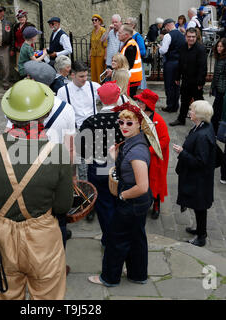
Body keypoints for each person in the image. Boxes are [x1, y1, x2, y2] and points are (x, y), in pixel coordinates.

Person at [0, 79, 73, 300]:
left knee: (6, 293)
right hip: (42, 237)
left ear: (10, 114)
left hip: (2, 236)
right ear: (44, 115)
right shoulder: (57, 153)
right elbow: (63, 205)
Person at [88, 102, 152, 287]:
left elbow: (142, 186)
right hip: (138, 203)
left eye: (129, 123)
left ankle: (108, 278)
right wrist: (116, 158)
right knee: (136, 237)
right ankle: (137, 274)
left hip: (132, 201)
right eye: (121, 122)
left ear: (139, 124)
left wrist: (123, 196)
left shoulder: (137, 151)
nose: (124, 126)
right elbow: (128, 171)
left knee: (116, 239)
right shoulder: (132, 142)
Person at [79, 81, 128, 248]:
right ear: (117, 98)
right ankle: (121, 235)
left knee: (104, 204)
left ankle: (109, 238)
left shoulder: (92, 121)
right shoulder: (126, 120)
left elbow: (82, 150)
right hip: (123, 168)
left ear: (100, 99)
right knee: (121, 202)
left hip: (100, 168)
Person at [173, 100, 216, 247]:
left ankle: (201, 236)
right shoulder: (202, 127)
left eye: (191, 110)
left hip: (199, 178)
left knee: (199, 206)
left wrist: (182, 152)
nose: (189, 112)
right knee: (198, 206)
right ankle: (199, 229)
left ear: (198, 115)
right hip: (198, 177)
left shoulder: (202, 135)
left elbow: (200, 161)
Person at [57, 61, 101, 189]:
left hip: (94, 129)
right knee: (81, 167)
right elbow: (60, 114)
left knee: (97, 166)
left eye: (86, 75)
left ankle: (96, 192)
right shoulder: (63, 91)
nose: (85, 79)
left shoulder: (94, 86)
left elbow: (109, 98)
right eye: (81, 76)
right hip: (76, 131)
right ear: (72, 75)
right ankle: (85, 194)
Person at [134, 89, 170, 220]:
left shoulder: (158, 120)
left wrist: (148, 151)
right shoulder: (138, 116)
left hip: (154, 158)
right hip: (141, 155)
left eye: (140, 101)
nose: (137, 103)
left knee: (155, 180)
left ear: (146, 104)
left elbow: (165, 140)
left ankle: (156, 204)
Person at [170, 28, 207, 127]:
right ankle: (181, 119)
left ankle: (204, 121)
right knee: (184, 101)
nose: (191, 39)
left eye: (193, 37)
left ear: (196, 37)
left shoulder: (200, 49)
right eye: (189, 36)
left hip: (196, 81)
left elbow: (203, 67)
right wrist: (177, 77)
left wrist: (200, 83)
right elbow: (180, 64)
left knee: (199, 102)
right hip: (185, 80)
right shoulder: (183, 47)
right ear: (185, 37)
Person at [159, 18, 186, 114]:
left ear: (167, 25)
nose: (165, 28)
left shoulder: (168, 36)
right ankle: (176, 105)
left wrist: (160, 48)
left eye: (165, 26)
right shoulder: (182, 35)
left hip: (170, 62)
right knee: (176, 84)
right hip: (179, 63)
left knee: (169, 85)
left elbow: (163, 50)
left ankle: (170, 106)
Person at [211, 38, 226, 133]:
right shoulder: (219, 58)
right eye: (218, 46)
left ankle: (214, 129)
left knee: (217, 111)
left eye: (221, 46)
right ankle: (214, 128)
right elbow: (216, 74)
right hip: (218, 88)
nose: (219, 48)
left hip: (223, 90)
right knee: (217, 110)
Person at [118, 24, 143, 98]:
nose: (118, 34)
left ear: (126, 35)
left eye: (120, 33)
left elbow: (128, 65)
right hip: (130, 78)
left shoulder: (130, 46)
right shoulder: (129, 44)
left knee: (128, 100)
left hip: (131, 79)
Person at [125, 17, 147, 90]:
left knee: (138, 86)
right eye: (125, 23)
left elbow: (143, 52)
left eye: (127, 23)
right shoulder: (127, 36)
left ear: (133, 25)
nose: (125, 25)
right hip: (128, 64)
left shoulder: (138, 36)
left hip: (136, 65)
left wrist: (132, 54)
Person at [102, 14, 123, 79]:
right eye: (113, 22)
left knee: (117, 81)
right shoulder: (110, 32)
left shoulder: (122, 32)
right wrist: (108, 30)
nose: (114, 24)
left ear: (120, 23)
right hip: (109, 62)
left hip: (118, 63)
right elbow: (102, 40)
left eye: (116, 22)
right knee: (108, 82)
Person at [90, 14, 107, 83]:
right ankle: (94, 86)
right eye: (93, 20)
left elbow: (106, 44)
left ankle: (100, 86)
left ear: (99, 21)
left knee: (100, 72)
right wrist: (90, 53)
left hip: (101, 54)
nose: (94, 21)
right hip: (93, 54)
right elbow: (91, 44)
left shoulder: (103, 31)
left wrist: (105, 55)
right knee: (93, 72)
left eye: (95, 20)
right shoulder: (93, 31)